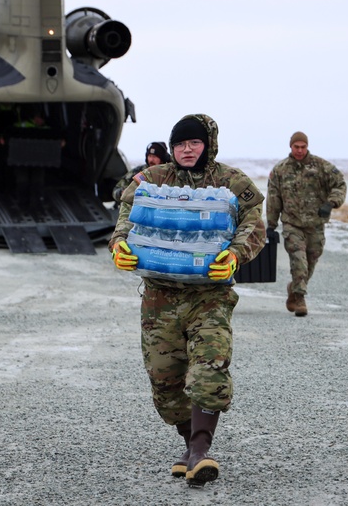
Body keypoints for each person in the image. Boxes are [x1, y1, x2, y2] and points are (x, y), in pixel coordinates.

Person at [109, 114, 266, 486]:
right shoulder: (151, 179)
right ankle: (188, 444)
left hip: (209, 295)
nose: (187, 149)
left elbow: (254, 221)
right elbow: (125, 218)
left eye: (194, 142)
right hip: (159, 299)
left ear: (208, 143)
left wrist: (236, 253)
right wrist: (119, 247)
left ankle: (200, 450)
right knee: (165, 381)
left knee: (208, 368)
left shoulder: (231, 181)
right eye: (180, 144)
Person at [265, 131, 347, 317]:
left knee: (312, 259)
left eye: (303, 147)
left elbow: (340, 184)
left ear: (307, 146)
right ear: (291, 147)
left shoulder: (321, 166)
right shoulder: (280, 170)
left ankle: (294, 288)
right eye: (296, 147)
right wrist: (271, 225)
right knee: (298, 260)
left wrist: (331, 203)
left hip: (316, 224)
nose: (300, 150)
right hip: (292, 223)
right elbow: (273, 198)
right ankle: (300, 299)